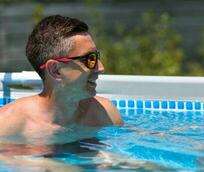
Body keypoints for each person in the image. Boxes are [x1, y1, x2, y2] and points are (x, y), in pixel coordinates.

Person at [0, 15, 123, 145]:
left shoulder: (105, 113)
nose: (101, 67)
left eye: (96, 57)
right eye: (90, 59)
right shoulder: (8, 124)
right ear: (55, 70)